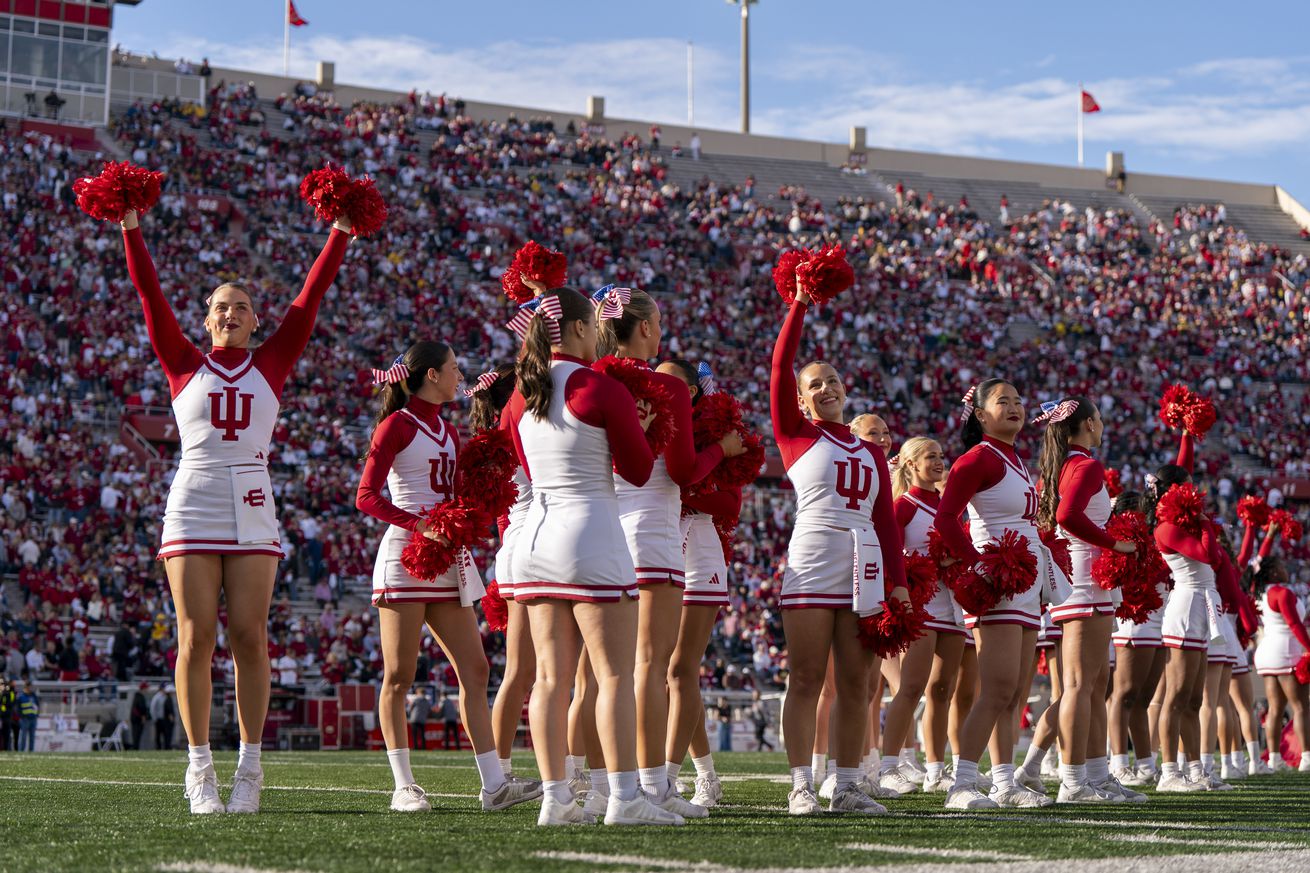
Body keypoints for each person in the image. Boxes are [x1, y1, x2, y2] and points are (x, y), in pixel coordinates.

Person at [117, 202, 351, 814]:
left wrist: (341, 231)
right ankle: (200, 770)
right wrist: (131, 227)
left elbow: (312, 294)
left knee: (249, 636)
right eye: (222, 305)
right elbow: (148, 293)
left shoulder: (272, 360)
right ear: (207, 318)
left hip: (252, 496)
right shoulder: (181, 359)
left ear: (253, 321)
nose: (231, 313)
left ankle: (249, 767)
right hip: (193, 498)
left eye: (241, 307)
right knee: (194, 638)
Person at [502, 287, 679, 827]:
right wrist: (645, 430)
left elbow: (521, 465)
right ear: (580, 329)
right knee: (612, 676)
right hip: (592, 534)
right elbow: (637, 469)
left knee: (550, 681)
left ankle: (557, 799)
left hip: (536, 538)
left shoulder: (519, 394)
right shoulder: (598, 387)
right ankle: (625, 798)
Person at [355, 341, 539, 814]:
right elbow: (366, 496)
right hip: (408, 556)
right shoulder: (395, 425)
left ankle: (494, 784)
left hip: (450, 558)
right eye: (455, 368)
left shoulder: (448, 429)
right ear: (432, 375)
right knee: (399, 675)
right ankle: (403, 785)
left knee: (475, 671)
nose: (461, 375)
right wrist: (420, 524)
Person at [599, 291, 738, 820]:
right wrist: (720, 452)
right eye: (657, 322)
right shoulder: (668, 387)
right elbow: (682, 473)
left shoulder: (587, 382)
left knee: (597, 672)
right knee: (650, 667)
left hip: (601, 530)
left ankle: (589, 788)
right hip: (654, 530)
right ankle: (650, 789)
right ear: (645, 330)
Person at [769, 284, 906, 816]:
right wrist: (800, 304)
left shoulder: (871, 452)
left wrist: (896, 582)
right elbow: (780, 367)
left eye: (832, 381)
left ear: (845, 390)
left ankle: (846, 784)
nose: (824, 388)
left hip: (865, 563)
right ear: (801, 398)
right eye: (814, 384)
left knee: (857, 681)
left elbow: (884, 522)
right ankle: (802, 783)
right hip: (812, 557)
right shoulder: (796, 434)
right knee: (805, 677)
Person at [934, 379, 1058, 809]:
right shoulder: (977, 459)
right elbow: (946, 518)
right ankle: (962, 784)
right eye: (1003, 401)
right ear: (981, 415)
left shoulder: (1016, 459)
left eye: (1019, 401)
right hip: (999, 582)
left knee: (1016, 692)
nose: (1016, 407)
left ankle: (1005, 783)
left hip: (1025, 584)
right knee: (996, 688)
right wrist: (979, 563)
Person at [1029, 397, 1143, 803]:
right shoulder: (1087, 465)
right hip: (1085, 580)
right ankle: (1074, 781)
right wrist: (1115, 542)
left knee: (1094, 684)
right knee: (1080, 685)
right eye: (1099, 419)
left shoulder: (1058, 467)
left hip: (1078, 579)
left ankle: (1096, 775)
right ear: (1090, 424)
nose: (1102, 425)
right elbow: (1066, 517)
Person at [660, 359, 742, 810]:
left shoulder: (716, 431)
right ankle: (706, 774)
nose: (659, 385)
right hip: (655, 539)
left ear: (692, 391)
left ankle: (668, 779)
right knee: (665, 670)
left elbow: (730, 502)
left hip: (699, 546)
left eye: (672, 381)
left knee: (679, 669)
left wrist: (685, 491)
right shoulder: (646, 418)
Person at [878, 437, 966, 796]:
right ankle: (888, 767)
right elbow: (892, 560)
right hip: (921, 605)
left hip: (952, 604)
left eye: (942, 456)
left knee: (943, 690)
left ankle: (934, 770)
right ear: (911, 465)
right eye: (931, 457)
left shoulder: (949, 508)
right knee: (911, 688)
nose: (939, 462)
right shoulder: (904, 506)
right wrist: (936, 563)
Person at [469, 364, 534, 780]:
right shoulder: (521, 433)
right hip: (533, 548)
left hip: (512, 553)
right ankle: (574, 769)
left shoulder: (492, 443)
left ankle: (500, 770)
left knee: (523, 671)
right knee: (550, 671)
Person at [1107, 491, 1170, 786]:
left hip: (1157, 620)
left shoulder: (1152, 537)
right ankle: (1119, 763)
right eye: (1136, 511)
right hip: (1132, 619)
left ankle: (1145, 764)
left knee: (1143, 699)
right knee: (1125, 694)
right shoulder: (1121, 538)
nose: (1141, 517)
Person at [1251, 551, 1310, 772]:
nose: (1286, 570)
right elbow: (1295, 625)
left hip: (1267, 651)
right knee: (1301, 707)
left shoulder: (1260, 593)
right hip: (1286, 650)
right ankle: (1306, 758)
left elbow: (1256, 561)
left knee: (1275, 708)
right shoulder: (1282, 593)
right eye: (1282, 566)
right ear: (1274, 572)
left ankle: (1274, 758)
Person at [151, 683, 175, 750]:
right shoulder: (157, 697)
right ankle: (158, 748)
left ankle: (166, 747)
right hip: (158, 719)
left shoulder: (166, 697)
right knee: (158, 735)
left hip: (165, 719)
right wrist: (155, 718)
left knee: (166, 734)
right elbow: (153, 708)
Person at [17, 681, 38, 751]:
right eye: (28, 686)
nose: (30, 688)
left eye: (30, 686)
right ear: (25, 687)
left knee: (32, 736)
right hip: (25, 719)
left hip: (33, 719)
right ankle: (21, 750)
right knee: (23, 736)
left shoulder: (34, 696)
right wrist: (21, 716)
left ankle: (31, 751)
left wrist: (37, 715)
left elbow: (37, 705)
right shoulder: (21, 696)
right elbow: (17, 708)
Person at [130, 682, 149, 750]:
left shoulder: (137, 696)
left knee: (136, 735)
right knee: (136, 735)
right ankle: (135, 748)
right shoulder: (140, 697)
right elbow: (141, 708)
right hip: (137, 720)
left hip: (135, 719)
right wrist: (143, 716)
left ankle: (136, 747)